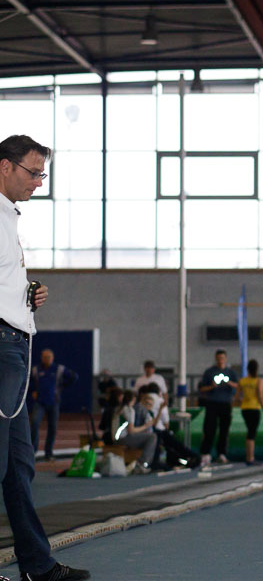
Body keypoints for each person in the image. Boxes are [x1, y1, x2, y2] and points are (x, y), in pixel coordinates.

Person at [0, 135, 88, 580]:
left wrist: (27, 293)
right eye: (34, 173)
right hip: (1, 348)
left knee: (19, 467)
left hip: (14, 344)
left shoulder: (7, 219)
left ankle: (37, 566)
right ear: (5, 167)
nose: (39, 182)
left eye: (42, 174)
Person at [29, 349, 78, 461]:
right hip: (39, 402)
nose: (47, 359)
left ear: (53, 358)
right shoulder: (36, 370)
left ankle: (49, 453)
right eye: (45, 357)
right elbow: (28, 383)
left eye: (49, 357)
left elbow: (74, 377)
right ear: (41, 357)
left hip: (53, 402)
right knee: (35, 425)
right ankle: (32, 452)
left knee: (53, 428)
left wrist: (61, 386)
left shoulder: (59, 369)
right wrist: (32, 391)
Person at [197, 349, 238, 467]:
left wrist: (229, 383)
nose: (220, 361)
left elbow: (238, 386)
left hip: (225, 403)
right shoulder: (209, 372)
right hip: (212, 402)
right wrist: (212, 386)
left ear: (225, 359)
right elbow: (202, 389)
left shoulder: (231, 372)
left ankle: (222, 453)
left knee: (224, 429)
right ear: (216, 359)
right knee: (209, 428)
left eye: (222, 359)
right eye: (219, 358)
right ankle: (205, 453)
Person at [115, 389, 157, 475]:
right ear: (133, 399)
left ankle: (139, 463)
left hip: (116, 437)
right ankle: (142, 464)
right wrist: (146, 426)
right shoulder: (129, 410)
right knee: (152, 437)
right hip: (123, 438)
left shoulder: (118, 409)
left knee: (146, 437)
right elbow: (131, 430)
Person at [238, 359, 263, 466]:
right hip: (254, 408)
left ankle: (249, 457)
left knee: (249, 432)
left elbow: (238, 396)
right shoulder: (258, 381)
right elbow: (260, 396)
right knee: (252, 433)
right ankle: (250, 458)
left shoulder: (243, 381)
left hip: (245, 408)